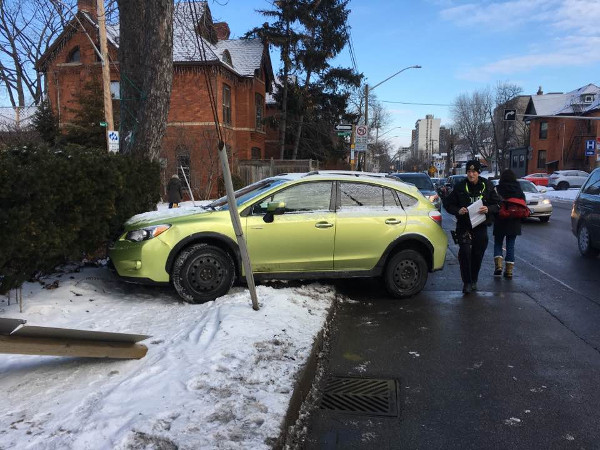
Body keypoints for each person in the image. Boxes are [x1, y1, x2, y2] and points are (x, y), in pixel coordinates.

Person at [443, 160, 501, 294]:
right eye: (469, 172)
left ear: (478, 173)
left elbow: (498, 204)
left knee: (477, 254)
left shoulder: (487, 185)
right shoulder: (460, 187)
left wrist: (488, 208)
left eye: (474, 172)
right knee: (465, 253)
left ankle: (474, 279)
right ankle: (467, 282)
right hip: (464, 226)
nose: (471, 174)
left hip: (480, 225)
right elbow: (448, 204)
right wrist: (458, 210)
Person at [493, 169, 525, 279]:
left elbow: (494, 203)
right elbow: (523, 203)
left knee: (498, 243)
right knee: (510, 245)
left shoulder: (498, 189)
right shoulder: (518, 189)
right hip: (514, 221)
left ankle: (498, 266)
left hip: (500, 219)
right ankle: (509, 271)